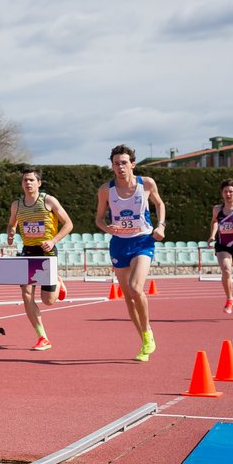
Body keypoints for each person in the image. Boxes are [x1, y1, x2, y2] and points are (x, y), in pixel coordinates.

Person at [94, 144, 166, 362]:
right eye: (116, 163)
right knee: (128, 298)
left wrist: (161, 225)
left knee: (136, 288)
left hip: (143, 241)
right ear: (112, 166)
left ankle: (148, 331)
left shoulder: (146, 184)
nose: (120, 167)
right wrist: (107, 228)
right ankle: (144, 338)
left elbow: (159, 203)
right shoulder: (106, 190)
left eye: (124, 162)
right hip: (119, 244)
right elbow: (99, 219)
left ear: (132, 164)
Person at [6, 166, 73, 351]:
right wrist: (11, 234)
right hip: (28, 251)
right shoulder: (17, 205)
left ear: (39, 183)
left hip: (47, 252)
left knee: (48, 301)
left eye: (31, 180)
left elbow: (68, 224)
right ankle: (42, 337)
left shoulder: (48, 201)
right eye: (25, 180)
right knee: (26, 294)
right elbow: (12, 224)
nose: (27, 183)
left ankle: (57, 282)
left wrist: (53, 240)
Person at [208, 178, 233, 320]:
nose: (228, 194)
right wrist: (212, 236)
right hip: (222, 245)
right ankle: (229, 299)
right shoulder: (217, 209)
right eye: (225, 191)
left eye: (231, 191)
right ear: (222, 194)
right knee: (225, 269)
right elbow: (214, 222)